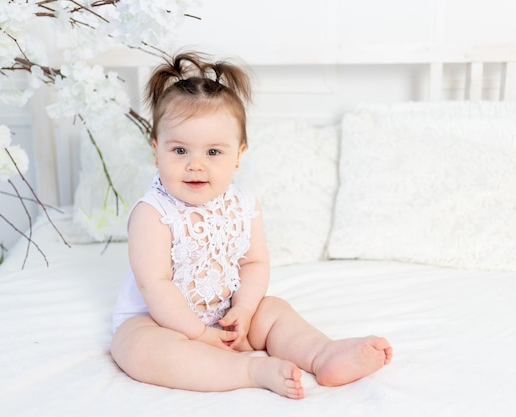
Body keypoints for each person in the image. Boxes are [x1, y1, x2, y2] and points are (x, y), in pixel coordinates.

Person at [110, 52, 393, 399]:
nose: (195, 165)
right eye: (180, 150)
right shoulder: (152, 213)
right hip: (161, 321)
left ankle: (323, 354)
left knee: (273, 310)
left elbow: (254, 263)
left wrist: (243, 309)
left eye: (213, 152)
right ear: (156, 151)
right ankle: (250, 370)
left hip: (227, 317)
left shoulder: (243, 205)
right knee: (136, 347)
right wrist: (198, 334)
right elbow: (155, 286)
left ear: (239, 154)